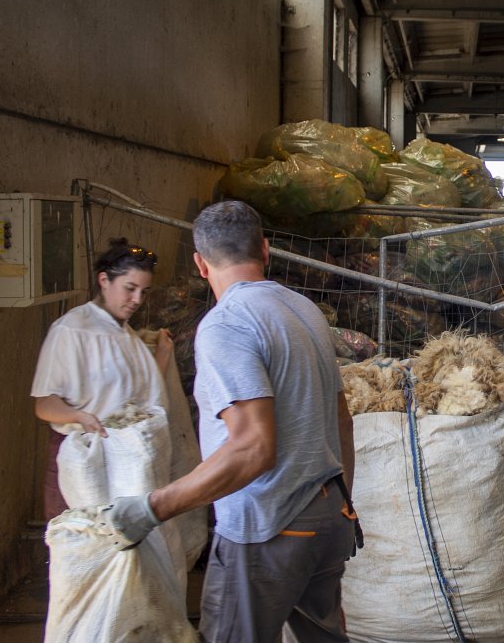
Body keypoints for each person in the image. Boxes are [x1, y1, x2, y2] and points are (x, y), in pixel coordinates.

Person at [101, 200, 357, 643]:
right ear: (265, 249)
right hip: (327, 514)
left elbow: (255, 448)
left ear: (201, 265)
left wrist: (153, 508)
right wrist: (343, 504)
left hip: (269, 525)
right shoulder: (303, 310)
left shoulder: (227, 325)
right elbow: (341, 418)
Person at [31, 238, 173, 519]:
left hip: (125, 464)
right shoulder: (72, 330)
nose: (137, 301)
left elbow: (138, 396)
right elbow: (44, 404)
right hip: (82, 461)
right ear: (104, 280)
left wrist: (162, 355)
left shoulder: (125, 333)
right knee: (85, 547)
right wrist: (78, 415)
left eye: (144, 292)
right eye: (129, 289)